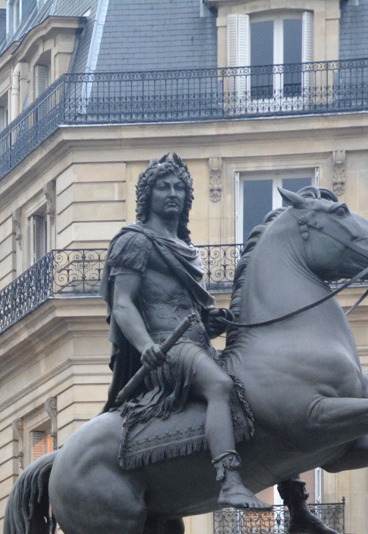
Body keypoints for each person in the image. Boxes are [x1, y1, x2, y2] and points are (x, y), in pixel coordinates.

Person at [103, 152, 260, 513]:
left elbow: (193, 309)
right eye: (163, 187)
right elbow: (124, 304)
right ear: (148, 197)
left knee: (264, 396)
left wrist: (212, 321)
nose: (172, 193)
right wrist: (145, 346)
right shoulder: (136, 241)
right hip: (164, 346)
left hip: (197, 343)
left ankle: (295, 502)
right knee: (220, 386)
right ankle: (230, 481)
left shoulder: (189, 249)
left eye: (179, 188)